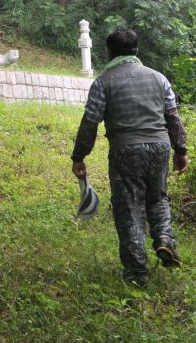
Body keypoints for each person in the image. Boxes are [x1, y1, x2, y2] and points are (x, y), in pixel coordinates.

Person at [71, 28, 189, 284]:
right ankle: (165, 238)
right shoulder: (159, 78)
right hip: (160, 147)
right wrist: (180, 151)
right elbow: (173, 118)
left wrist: (79, 156)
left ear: (109, 52)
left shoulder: (103, 82)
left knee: (128, 207)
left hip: (126, 150)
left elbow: (90, 122)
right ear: (136, 49)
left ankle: (137, 272)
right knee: (158, 197)